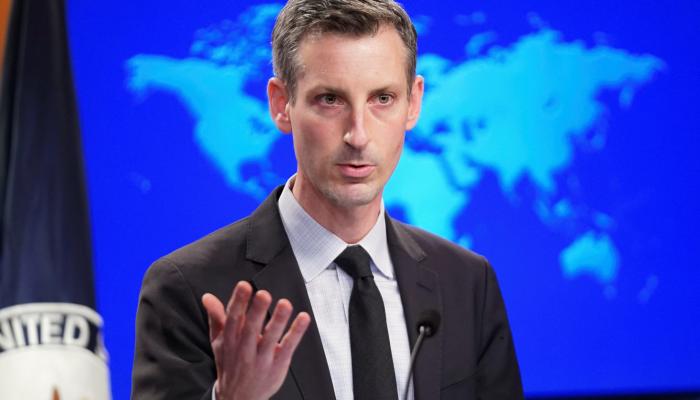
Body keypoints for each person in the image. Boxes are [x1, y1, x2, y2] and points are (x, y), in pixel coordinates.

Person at [131, 0, 524, 399]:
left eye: (382, 98)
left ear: (414, 102)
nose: (359, 135)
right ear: (281, 104)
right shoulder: (187, 289)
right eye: (330, 100)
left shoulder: (468, 282)